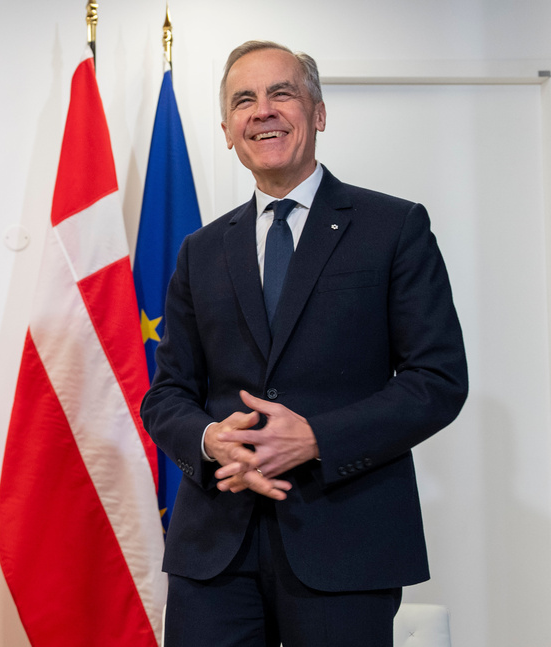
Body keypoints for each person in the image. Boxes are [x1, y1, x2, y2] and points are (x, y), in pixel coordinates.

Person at [140, 40, 467, 647]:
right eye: (244, 100)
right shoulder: (200, 251)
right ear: (228, 130)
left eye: (280, 93)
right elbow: (167, 395)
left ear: (318, 112)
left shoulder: (394, 227)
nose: (262, 110)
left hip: (345, 540)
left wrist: (317, 439)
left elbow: (438, 379)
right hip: (215, 548)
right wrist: (213, 441)